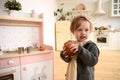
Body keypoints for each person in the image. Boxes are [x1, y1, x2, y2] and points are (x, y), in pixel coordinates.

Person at [60, 15, 100, 80]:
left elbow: (92, 61)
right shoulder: (72, 44)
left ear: (90, 31)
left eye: (86, 30)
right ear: (73, 31)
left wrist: (81, 50)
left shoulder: (91, 46)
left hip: (85, 77)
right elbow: (68, 60)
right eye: (79, 30)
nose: (83, 33)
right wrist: (64, 54)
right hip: (72, 75)